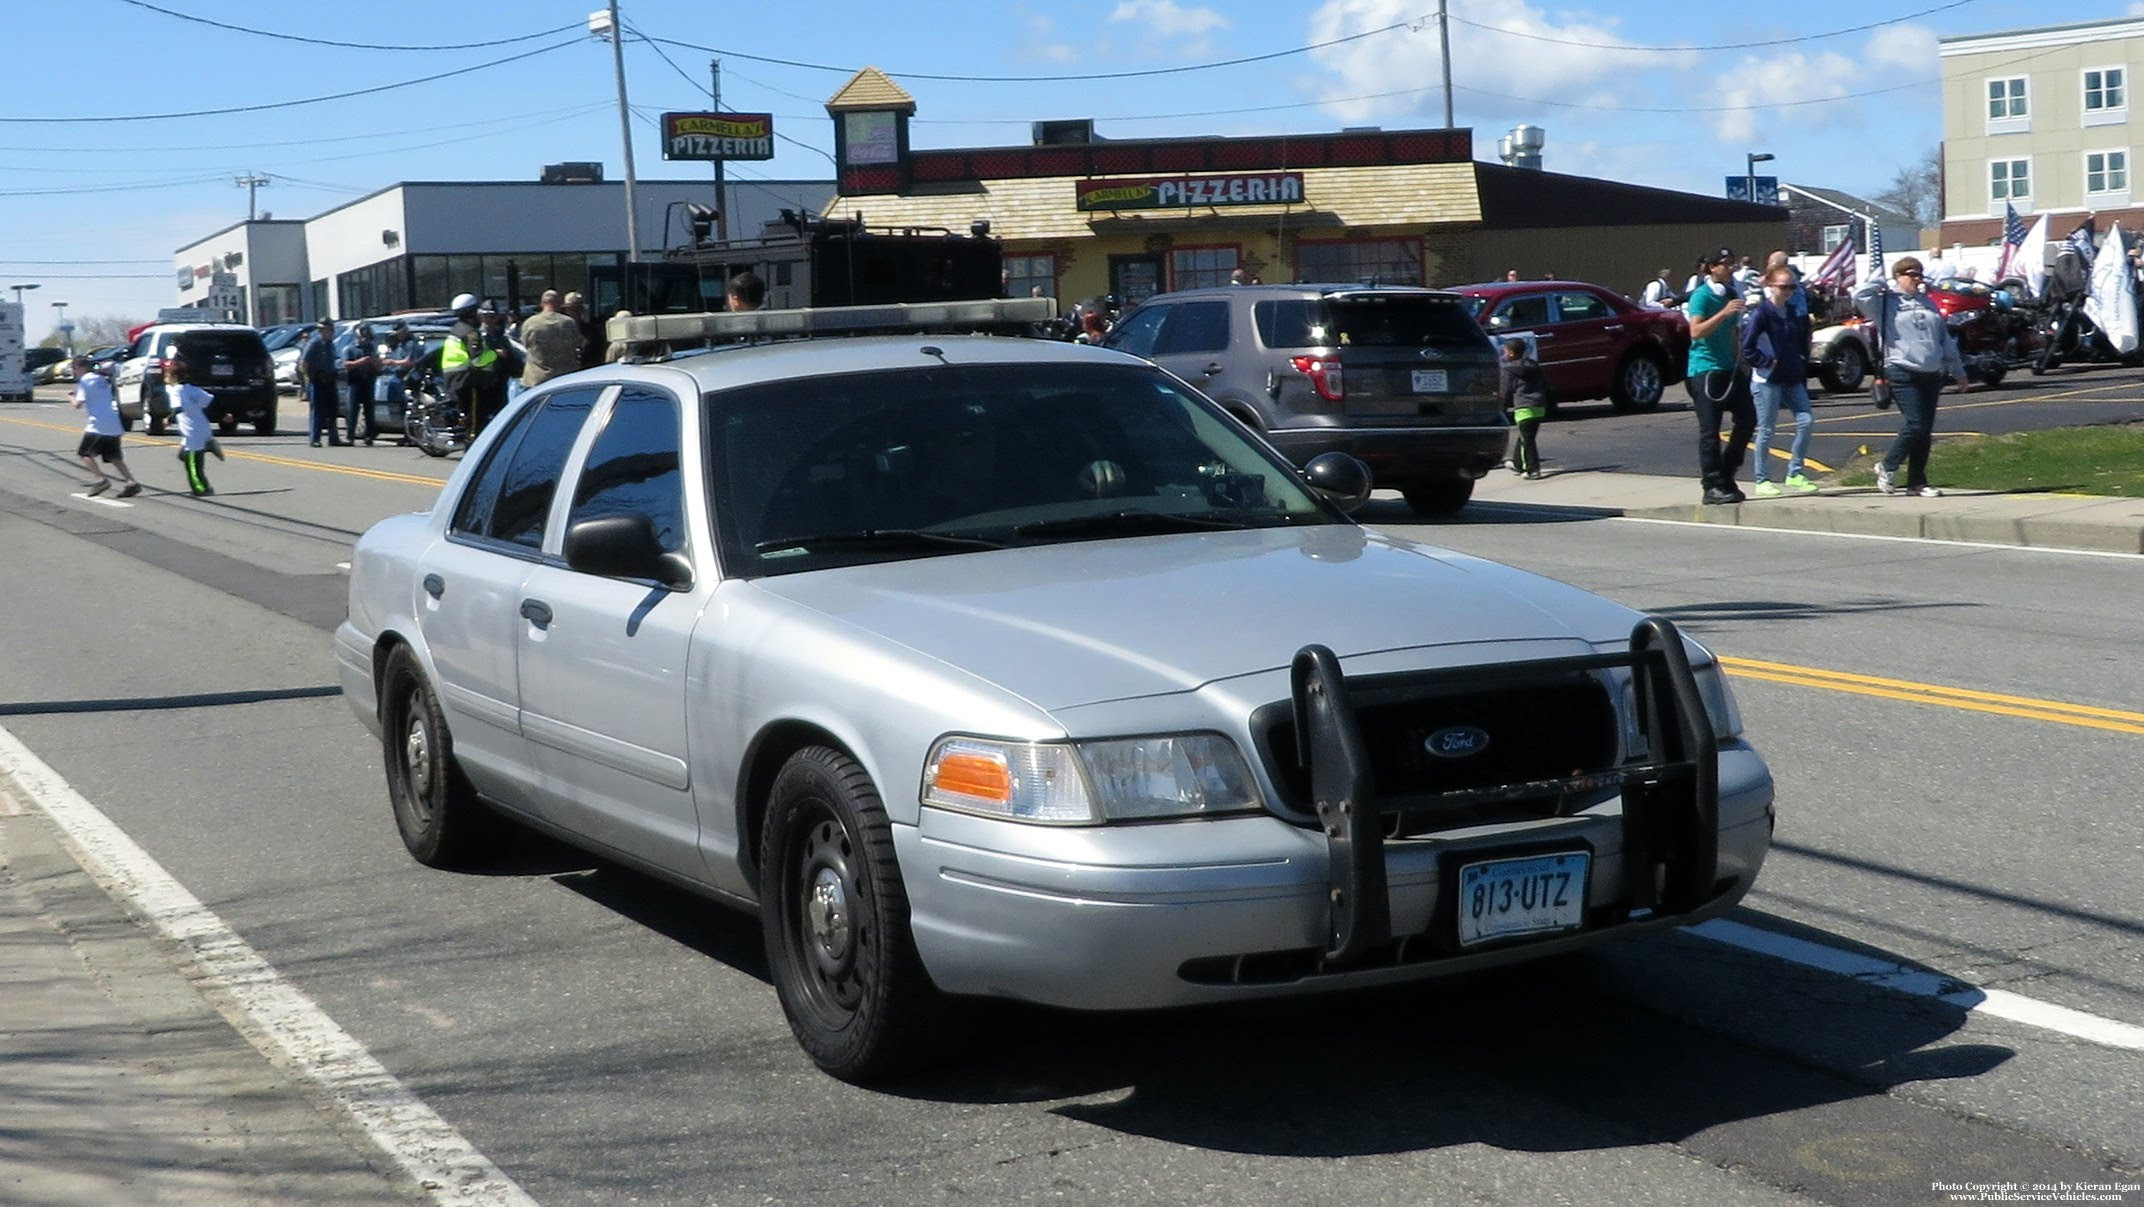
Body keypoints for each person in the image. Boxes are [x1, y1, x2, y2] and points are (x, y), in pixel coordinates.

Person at [1856, 256, 1968, 498]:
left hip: (1931, 371)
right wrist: (1877, 284)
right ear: (1898, 276)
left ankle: (1917, 481)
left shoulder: (1928, 303)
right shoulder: (1886, 303)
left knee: (1924, 430)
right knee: (1915, 423)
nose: (1916, 279)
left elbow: (1943, 338)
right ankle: (1887, 465)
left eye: (1919, 274)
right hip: (1901, 368)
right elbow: (1859, 296)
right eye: (1911, 274)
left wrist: (1958, 370)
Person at [1684, 246, 1755, 505]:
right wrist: (1723, 313)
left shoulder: (1731, 294)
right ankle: (1711, 485)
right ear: (1712, 267)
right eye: (1725, 263)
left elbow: (1733, 332)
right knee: (1710, 430)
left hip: (1730, 367)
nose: (1730, 268)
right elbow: (1696, 331)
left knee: (1747, 419)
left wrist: (1742, 361)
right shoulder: (1702, 297)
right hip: (1706, 369)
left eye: (1732, 263)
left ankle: (1727, 472)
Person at [1740, 266, 1818, 497]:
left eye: (1792, 287)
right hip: (1767, 380)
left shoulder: (1793, 311)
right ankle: (1761, 479)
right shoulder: (1762, 313)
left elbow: (1798, 339)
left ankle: (1795, 472)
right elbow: (1747, 347)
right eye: (1784, 287)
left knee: (1806, 421)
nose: (1788, 291)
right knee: (1766, 429)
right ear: (1771, 286)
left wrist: (1802, 359)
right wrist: (1765, 361)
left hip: (1792, 375)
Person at [70, 353, 141, 497]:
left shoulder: (85, 381)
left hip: (98, 425)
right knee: (113, 456)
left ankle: (101, 479)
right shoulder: (102, 379)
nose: (74, 372)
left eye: (74, 368)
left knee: (84, 453)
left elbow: (78, 404)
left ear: (79, 367)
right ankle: (131, 482)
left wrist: (71, 397)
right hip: (113, 422)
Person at [440, 293, 504, 438]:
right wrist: (496, 354)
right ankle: (473, 452)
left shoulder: (457, 328)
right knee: (475, 424)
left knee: (468, 419)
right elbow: (478, 360)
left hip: (456, 380)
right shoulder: (470, 333)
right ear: (471, 312)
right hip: (469, 380)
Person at [1497, 339, 1550, 479]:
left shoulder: (1508, 369)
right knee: (1526, 436)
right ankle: (1518, 464)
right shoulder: (1534, 366)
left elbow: (1505, 391)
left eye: (1505, 351)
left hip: (1523, 408)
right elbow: (1546, 384)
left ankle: (1532, 469)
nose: (1504, 353)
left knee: (1527, 441)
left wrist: (1500, 409)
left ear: (1511, 353)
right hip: (1539, 407)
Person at [163, 357, 215, 497]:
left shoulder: (176, 391)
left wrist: (169, 419)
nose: (165, 378)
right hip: (202, 427)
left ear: (173, 377)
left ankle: (200, 489)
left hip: (192, 431)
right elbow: (210, 401)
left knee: (192, 465)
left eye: (166, 375)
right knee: (185, 456)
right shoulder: (193, 389)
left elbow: (178, 408)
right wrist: (223, 415)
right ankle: (208, 446)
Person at [516, 289, 584, 396]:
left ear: (542, 303)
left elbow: (526, 345)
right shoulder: (569, 323)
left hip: (536, 379)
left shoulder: (530, 323)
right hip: (565, 377)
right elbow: (578, 344)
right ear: (560, 304)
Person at [374, 321, 422, 446]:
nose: (397, 335)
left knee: (411, 409)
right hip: (398, 378)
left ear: (405, 331)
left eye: (399, 333)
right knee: (402, 410)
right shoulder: (400, 343)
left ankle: (413, 437)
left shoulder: (412, 343)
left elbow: (411, 362)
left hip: (410, 379)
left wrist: (393, 362)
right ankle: (406, 436)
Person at [301, 318, 346, 447]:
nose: (326, 332)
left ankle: (333, 438)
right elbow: (304, 363)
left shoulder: (331, 344)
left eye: (328, 329)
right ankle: (315, 438)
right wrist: (310, 378)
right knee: (318, 411)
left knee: (333, 410)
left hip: (330, 379)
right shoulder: (314, 343)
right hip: (317, 381)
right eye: (323, 329)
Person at [343, 322, 378, 445]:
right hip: (355, 382)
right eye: (363, 336)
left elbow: (378, 364)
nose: (365, 339)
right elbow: (346, 364)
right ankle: (350, 436)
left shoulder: (372, 348)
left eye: (367, 336)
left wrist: (374, 362)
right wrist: (361, 361)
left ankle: (369, 436)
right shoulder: (350, 349)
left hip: (368, 381)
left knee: (369, 410)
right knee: (353, 410)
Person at [561, 290, 603, 370]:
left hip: (586, 372)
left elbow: (599, 355)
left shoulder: (592, 331)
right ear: (565, 311)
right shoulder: (559, 330)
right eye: (571, 309)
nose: (575, 313)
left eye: (578, 309)